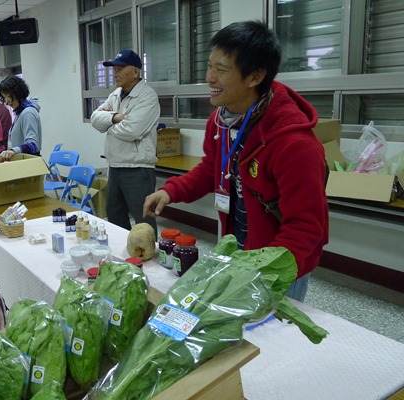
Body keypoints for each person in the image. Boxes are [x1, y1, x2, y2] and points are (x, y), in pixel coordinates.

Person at [143, 21, 329, 301]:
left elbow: (305, 229)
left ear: (254, 77)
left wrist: (262, 274)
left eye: (221, 69)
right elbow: (212, 168)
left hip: (279, 262)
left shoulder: (294, 144)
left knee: (274, 337)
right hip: (238, 245)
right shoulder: (220, 121)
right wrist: (170, 190)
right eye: (209, 66)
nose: (209, 77)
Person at [90, 49, 160, 235]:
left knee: (143, 220)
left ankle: (151, 258)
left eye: (120, 68)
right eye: (114, 69)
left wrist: (108, 125)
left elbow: (131, 130)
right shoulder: (115, 95)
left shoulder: (147, 96)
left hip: (137, 168)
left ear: (135, 72)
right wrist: (115, 118)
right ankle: (127, 255)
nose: (115, 73)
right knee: (115, 215)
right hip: (115, 165)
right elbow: (95, 118)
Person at [0, 76, 42, 160]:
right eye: (4, 97)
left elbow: (33, 144)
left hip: (30, 162)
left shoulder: (28, 112)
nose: (6, 101)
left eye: (8, 96)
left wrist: (13, 151)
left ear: (17, 92)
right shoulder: (20, 113)